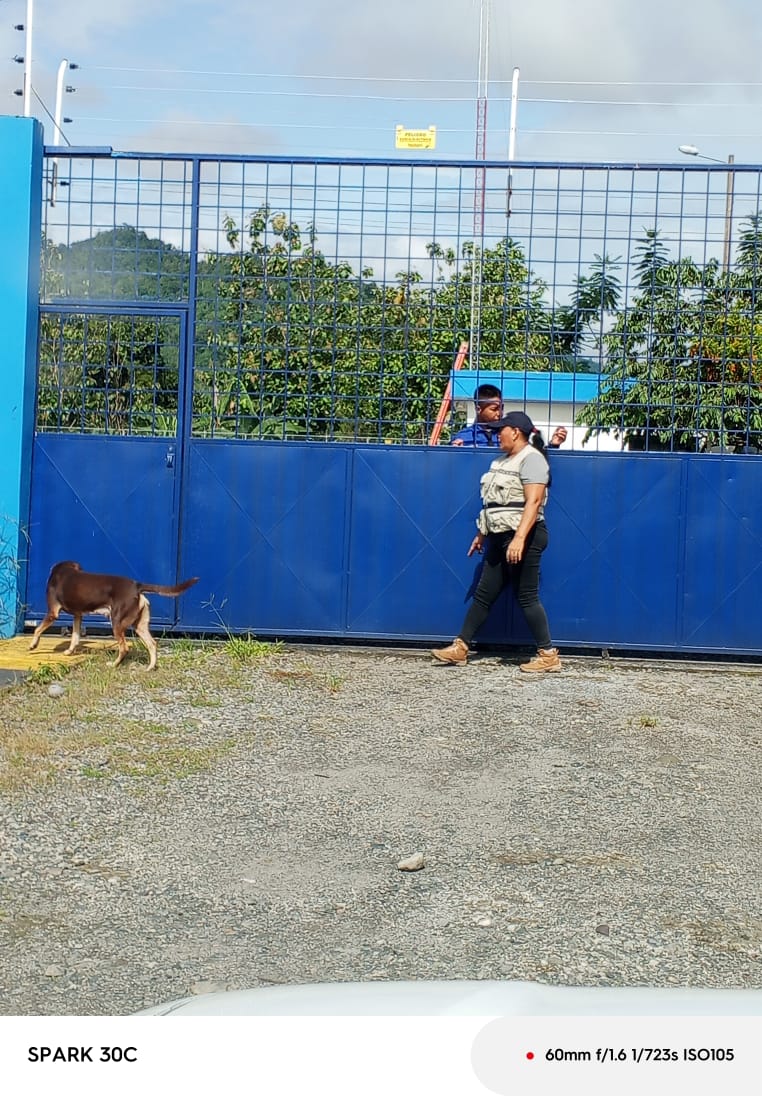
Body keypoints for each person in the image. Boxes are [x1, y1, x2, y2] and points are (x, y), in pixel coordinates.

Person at [432, 410, 561, 673]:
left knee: (526, 595)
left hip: (525, 536)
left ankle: (548, 656)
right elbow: (494, 503)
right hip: (499, 535)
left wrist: (519, 539)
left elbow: (534, 501)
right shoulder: (500, 461)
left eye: (501, 430)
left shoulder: (532, 459)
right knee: (484, 594)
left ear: (515, 432)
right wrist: (482, 533)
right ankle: (460, 648)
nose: (497, 434)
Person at [451, 383, 568, 449]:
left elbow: (531, 458)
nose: (499, 413)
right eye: (494, 409)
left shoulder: (510, 434)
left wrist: (553, 445)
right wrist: (455, 453)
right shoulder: (464, 437)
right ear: (478, 409)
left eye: (501, 408)